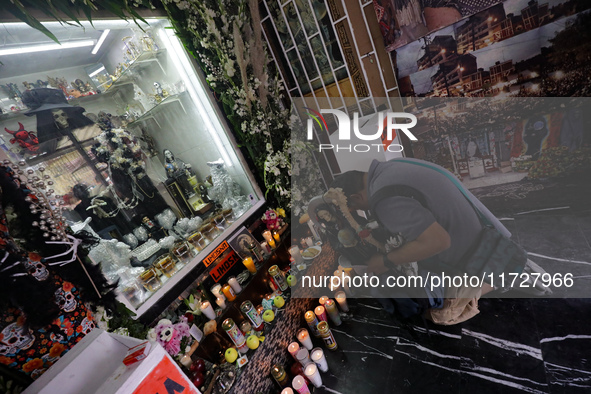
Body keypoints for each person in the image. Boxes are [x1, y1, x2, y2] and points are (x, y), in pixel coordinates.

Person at [330, 158, 550, 325]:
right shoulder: (392, 166)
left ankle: (501, 275)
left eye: (356, 208)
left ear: (357, 198)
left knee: (441, 314)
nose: (362, 211)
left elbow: (439, 242)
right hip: (481, 228)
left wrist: (386, 260)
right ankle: (505, 268)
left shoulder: (383, 200)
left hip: (472, 253)